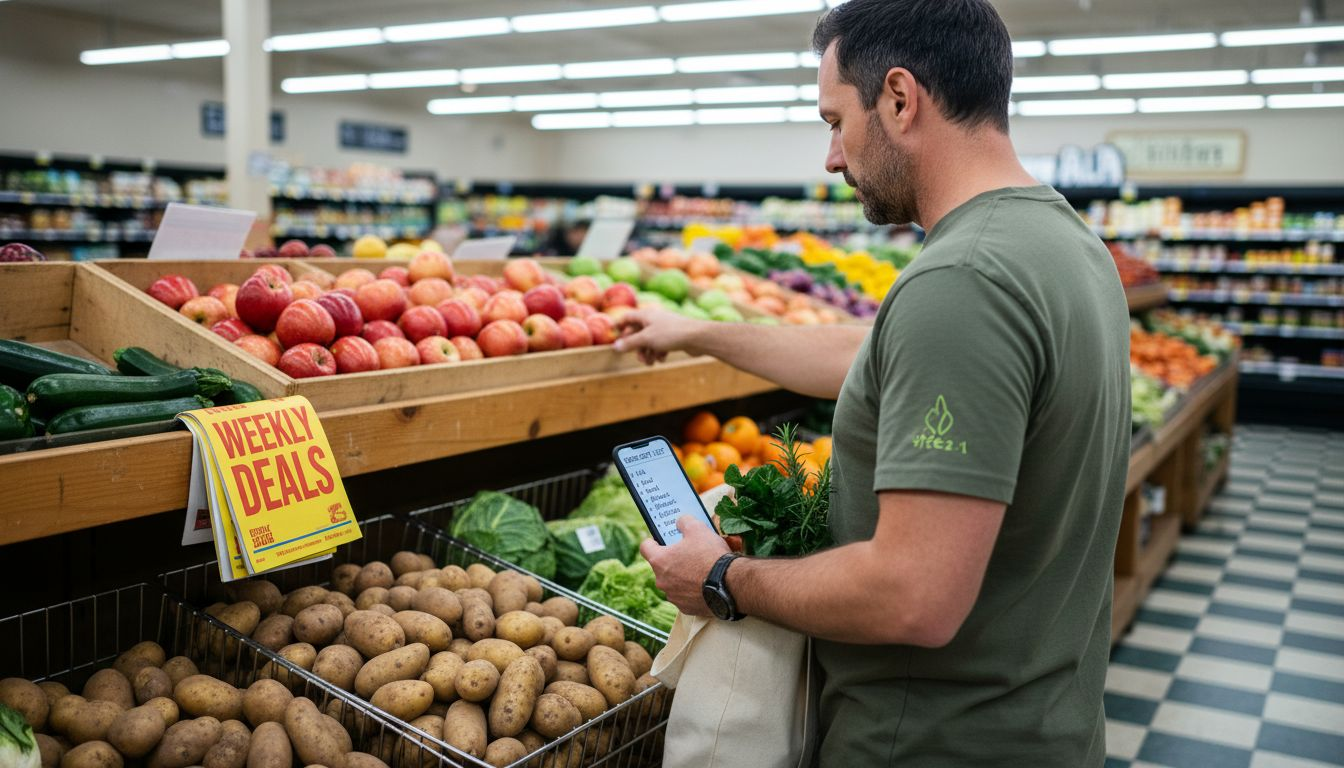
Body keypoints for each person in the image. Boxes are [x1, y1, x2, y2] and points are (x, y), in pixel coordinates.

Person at [614, 0, 1131, 764]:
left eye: (834, 120)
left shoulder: (961, 282)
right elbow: (877, 353)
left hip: (929, 741)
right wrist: (697, 332)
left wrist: (722, 578)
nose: (832, 156)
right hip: (1044, 724)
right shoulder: (1062, 244)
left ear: (899, 98)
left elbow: (912, 595)